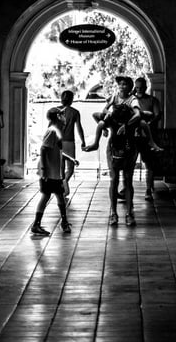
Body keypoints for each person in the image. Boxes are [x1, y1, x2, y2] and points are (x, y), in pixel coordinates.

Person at [84, 103, 140, 226]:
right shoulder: (111, 117)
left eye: (122, 121)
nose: (119, 123)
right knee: (114, 180)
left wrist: (127, 125)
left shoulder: (133, 118)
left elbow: (146, 118)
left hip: (130, 149)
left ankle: (129, 213)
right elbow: (99, 122)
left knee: (128, 180)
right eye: (117, 121)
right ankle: (113, 213)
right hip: (113, 149)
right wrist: (96, 143)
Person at [31, 108, 78, 236]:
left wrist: (70, 159)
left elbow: (57, 151)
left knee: (59, 196)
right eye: (62, 115)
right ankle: (37, 224)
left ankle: (63, 221)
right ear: (58, 116)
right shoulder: (52, 131)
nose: (64, 117)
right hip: (49, 173)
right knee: (48, 196)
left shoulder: (56, 131)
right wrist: (44, 170)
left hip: (54, 173)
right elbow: (43, 149)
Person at [131, 77, 163, 201]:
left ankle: (148, 190)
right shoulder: (131, 100)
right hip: (133, 136)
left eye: (141, 87)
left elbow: (157, 115)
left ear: (145, 87)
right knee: (129, 163)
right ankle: (126, 189)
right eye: (137, 87)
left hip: (147, 136)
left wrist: (149, 124)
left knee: (149, 164)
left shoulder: (152, 100)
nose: (139, 90)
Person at [50, 90, 85, 198]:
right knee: (70, 168)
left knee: (61, 168)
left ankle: (62, 185)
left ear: (61, 98)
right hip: (69, 142)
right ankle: (65, 182)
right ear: (71, 100)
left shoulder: (55, 111)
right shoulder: (75, 112)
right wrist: (83, 141)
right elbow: (79, 128)